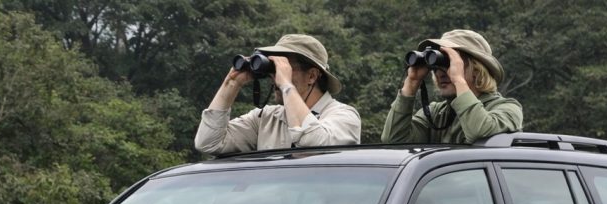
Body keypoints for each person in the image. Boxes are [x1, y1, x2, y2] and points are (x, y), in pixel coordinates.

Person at [194, 34, 361, 155]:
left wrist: (287, 86)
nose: (275, 77)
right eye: (274, 68)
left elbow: (314, 141)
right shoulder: (265, 119)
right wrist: (231, 84)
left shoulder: (344, 116)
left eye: (285, 68)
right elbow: (208, 143)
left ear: (311, 76)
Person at [381, 29, 522, 145]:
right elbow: (393, 140)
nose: (440, 73)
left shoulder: (508, 109)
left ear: (477, 70)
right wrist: (411, 83)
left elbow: (479, 131)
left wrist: (458, 79)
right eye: (436, 66)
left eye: (449, 64)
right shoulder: (436, 114)